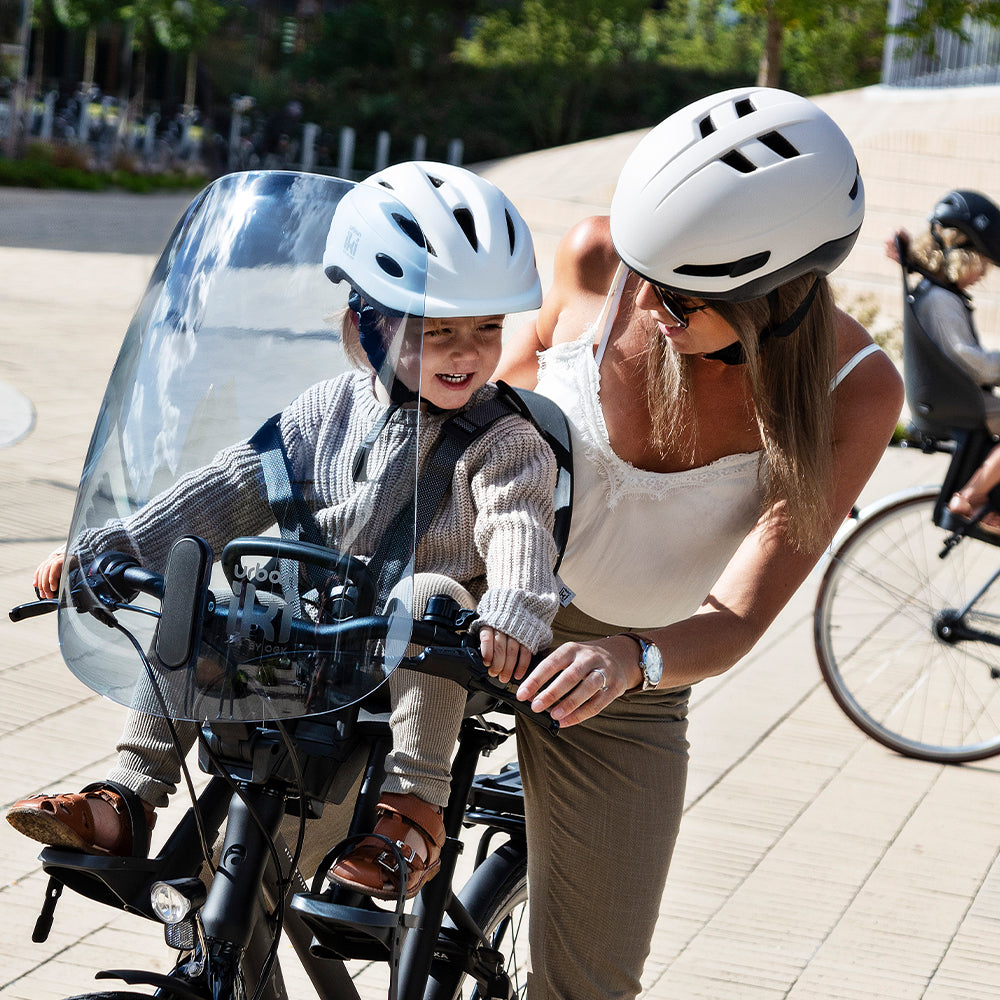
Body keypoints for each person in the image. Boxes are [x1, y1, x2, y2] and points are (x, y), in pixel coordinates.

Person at [8, 161, 560, 901]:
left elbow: (520, 527)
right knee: (195, 585)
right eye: (440, 330)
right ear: (368, 322)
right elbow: (230, 486)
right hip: (308, 644)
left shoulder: (504, 442)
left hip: (421, 660)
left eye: (487, 329)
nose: (468, 351)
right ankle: (127, 796)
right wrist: (115, 550)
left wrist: (513, 610)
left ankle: (412, 812)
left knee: (428, 590)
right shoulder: (321, 413)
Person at [490, 86, 903, 1000]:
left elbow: (736, 618)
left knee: (591, 987)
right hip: (473, 610)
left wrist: (629, 660)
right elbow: (473, 430)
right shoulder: (605, 261)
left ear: (780, 299)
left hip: (627, 680)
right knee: (280, 832)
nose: (652, 304)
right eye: (648, 275)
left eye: (684, 298)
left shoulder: (855, 391)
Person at [886, 189, 1000, 531]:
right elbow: (970, 361)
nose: (982, 276)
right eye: (982, 265)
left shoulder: (937, 292)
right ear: (959, 255)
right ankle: (969, 499)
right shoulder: (940, 300)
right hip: (954, 401)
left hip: (952, 396)